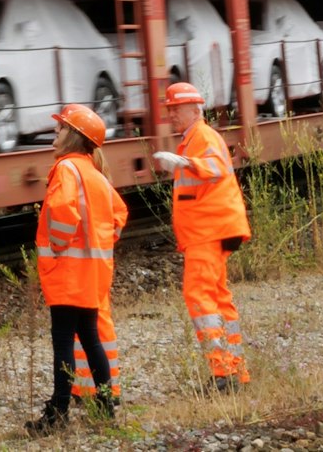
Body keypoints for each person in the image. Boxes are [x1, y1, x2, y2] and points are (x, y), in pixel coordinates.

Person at [26, 103, 127, 434]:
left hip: (68, 274)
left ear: (77, 138)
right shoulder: (94, 175)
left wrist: (58, 246)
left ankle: (58, 413)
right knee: (90, 338)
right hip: (92, 274)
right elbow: (118, 214)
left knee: (64, 343)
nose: (57, 132)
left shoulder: (66, 169)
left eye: (63, 128)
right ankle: (102, 407)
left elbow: (61, 208)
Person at [151, 82, 251, 391]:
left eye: (176, 110)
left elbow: (217, 168)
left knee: (200, 296)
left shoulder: (203, 137)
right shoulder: (192, 139)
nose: (171, 116)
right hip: (211, 230)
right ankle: (235, 371)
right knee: (218, 297)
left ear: (196, 110)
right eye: (168, 110)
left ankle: (222, 374)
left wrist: (187, 163)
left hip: (208, 231)